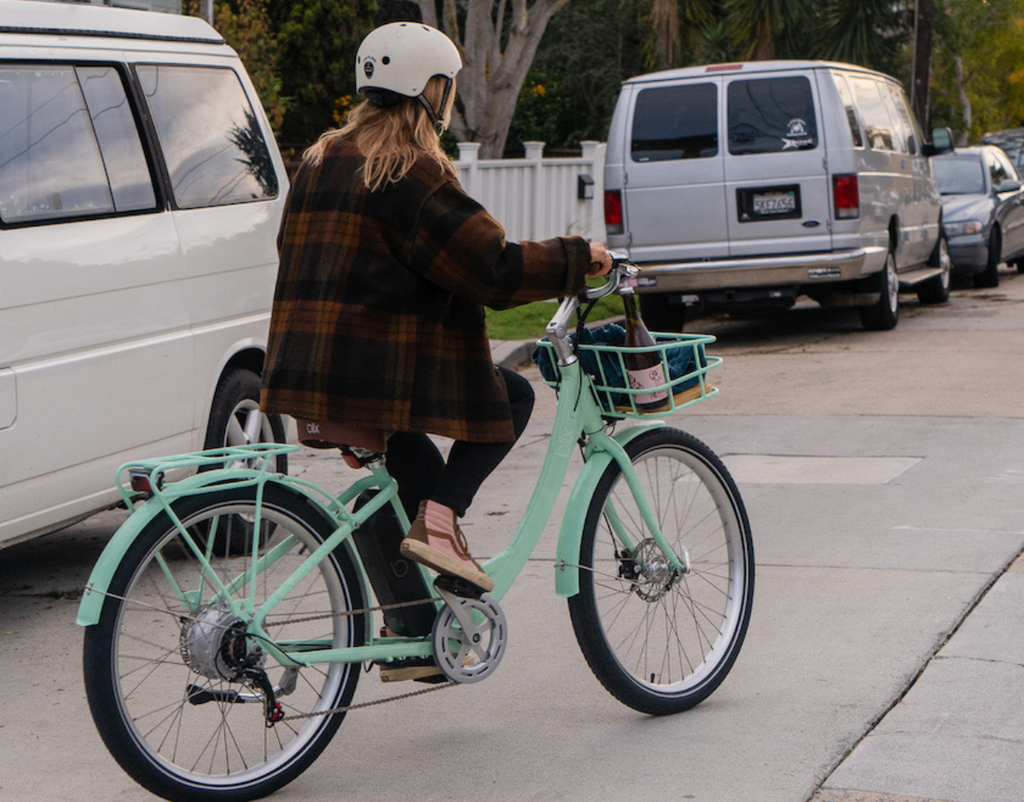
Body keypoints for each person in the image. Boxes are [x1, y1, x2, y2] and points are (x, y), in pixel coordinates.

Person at [261, 21, 612, 597]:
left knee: (415, 478)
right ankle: (443, 526)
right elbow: (492, 269)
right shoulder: (406, 171)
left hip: (307, 374)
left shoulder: (320, 161)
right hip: (372, 379)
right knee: (514, 397)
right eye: (444, 87)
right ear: (431, 91)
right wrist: (577, 257)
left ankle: (423, 630)